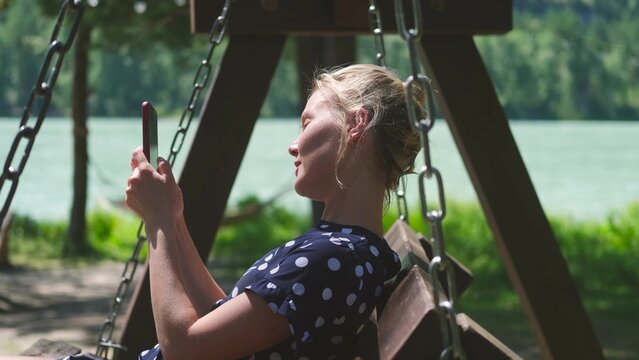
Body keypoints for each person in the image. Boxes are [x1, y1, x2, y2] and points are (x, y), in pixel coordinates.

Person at [0, 64, 422, 360]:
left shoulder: (333, 257)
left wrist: (159, 224)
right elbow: (225, 318)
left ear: (356, 125)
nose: (294, 144)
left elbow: (185, 349)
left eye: (307, 122)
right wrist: (177, 222)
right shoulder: (351, 251)